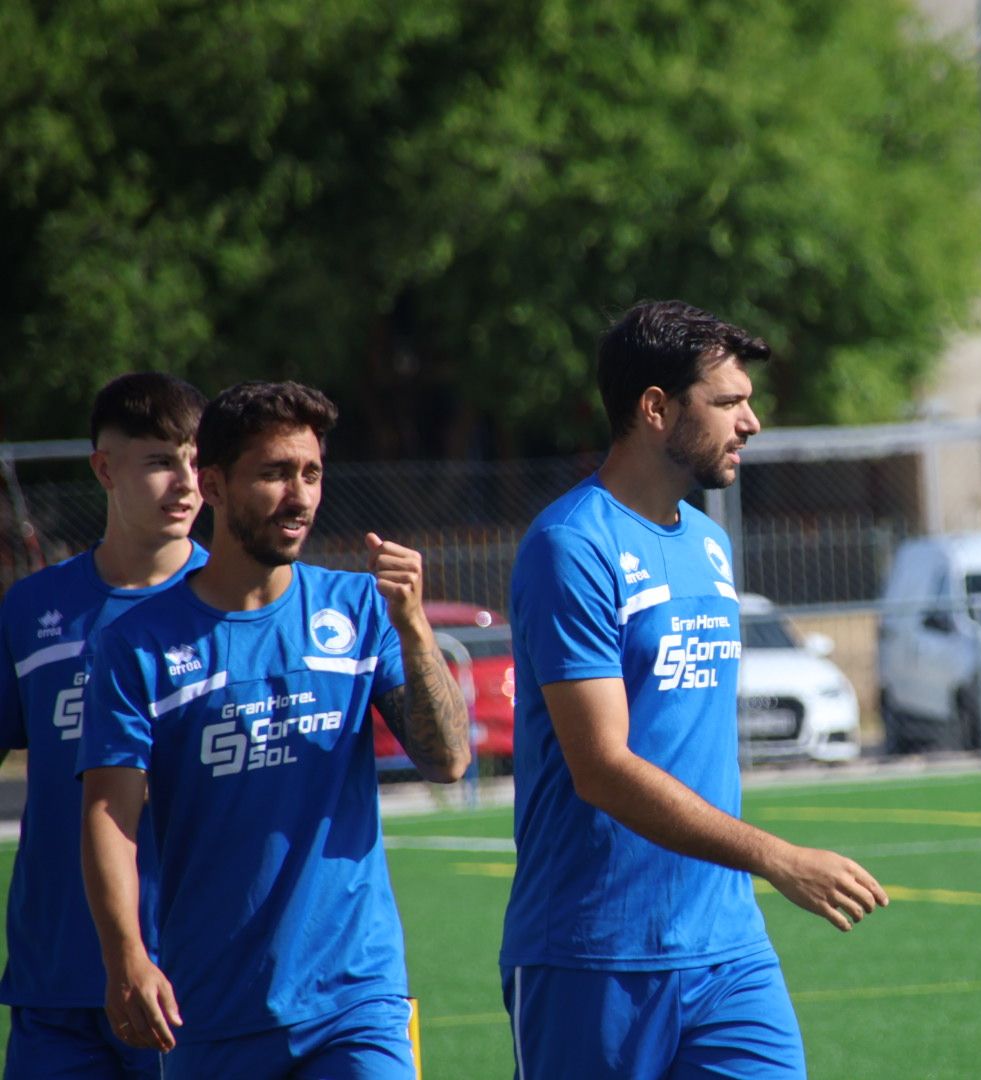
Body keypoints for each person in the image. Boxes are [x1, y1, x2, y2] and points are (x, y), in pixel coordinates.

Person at [500, 299, 889, 1079]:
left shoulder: (709, 544)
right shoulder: (572, 546)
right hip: (593, 954)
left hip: (728, 949)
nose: (750, 423)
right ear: (655, 409)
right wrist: (777, 857)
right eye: (728, 403)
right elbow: (601, 766)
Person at [78, 380, 470, 1078]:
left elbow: (447, 761)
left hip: (357, 999)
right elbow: (110, 814)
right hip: (212, 1009)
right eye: (275, 473)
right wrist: (127, 958)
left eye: (312, 473)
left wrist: (413, 628)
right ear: (215, 484)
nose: (300, 496)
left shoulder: (357, 609)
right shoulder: (137, 645)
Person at [0, 372, 208, 1078]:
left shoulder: (234, 603)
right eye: (158, 461)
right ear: (104, 468)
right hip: (54, 980)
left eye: (194, 459)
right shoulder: (32, 611)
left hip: (189, 982)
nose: (184, 482)